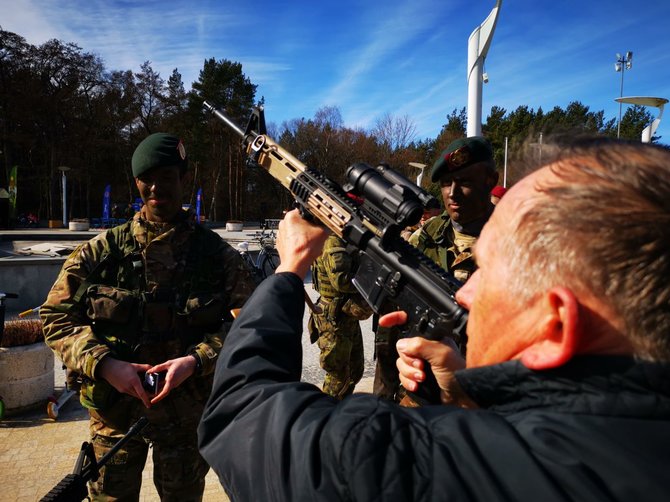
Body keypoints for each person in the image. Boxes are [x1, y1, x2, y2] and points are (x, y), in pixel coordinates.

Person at [198, 137, 670, 501]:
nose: (465, 291)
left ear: (555, 326)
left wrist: (288, 269)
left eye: (492, 270)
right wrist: (470, 399)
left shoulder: (416, 465)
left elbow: (239, 416)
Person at [41, 133, 256, 501]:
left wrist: (196, 360)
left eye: (168, 176)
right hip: (114, 416)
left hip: (185, 417)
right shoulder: (103, 252)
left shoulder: (216, 256)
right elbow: (55, 316)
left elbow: (252, 325)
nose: (157, 187)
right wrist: (106, 365)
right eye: (147, 178)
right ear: (136, 181)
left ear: (183, 178)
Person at [374, 136, 498, 402]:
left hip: (480, 395)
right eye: (445, 184)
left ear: (490, 180)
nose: (451, 193)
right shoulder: (428, 234)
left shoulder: (515, 241)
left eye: (464, 183)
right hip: (419, 388)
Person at [308, 233, 373, 399]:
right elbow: (342, 281)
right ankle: (326, 415)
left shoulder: (346, 238)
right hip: (334, 319)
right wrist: (372, 278)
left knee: (354, 371)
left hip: (346, 315)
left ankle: (340, 408)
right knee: (337, 376)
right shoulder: (332, 241)